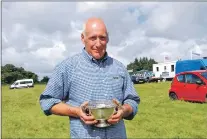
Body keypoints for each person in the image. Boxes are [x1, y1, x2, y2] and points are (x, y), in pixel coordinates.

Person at [39, 17, 140, 138]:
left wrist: (123, 110)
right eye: (93, 38)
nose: (98, 44)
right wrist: (76, 111)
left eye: (102, 38)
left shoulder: (119, 68)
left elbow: (132, 101)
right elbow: (47, 101)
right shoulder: (68, 67)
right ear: (83, 38)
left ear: (107, 38)